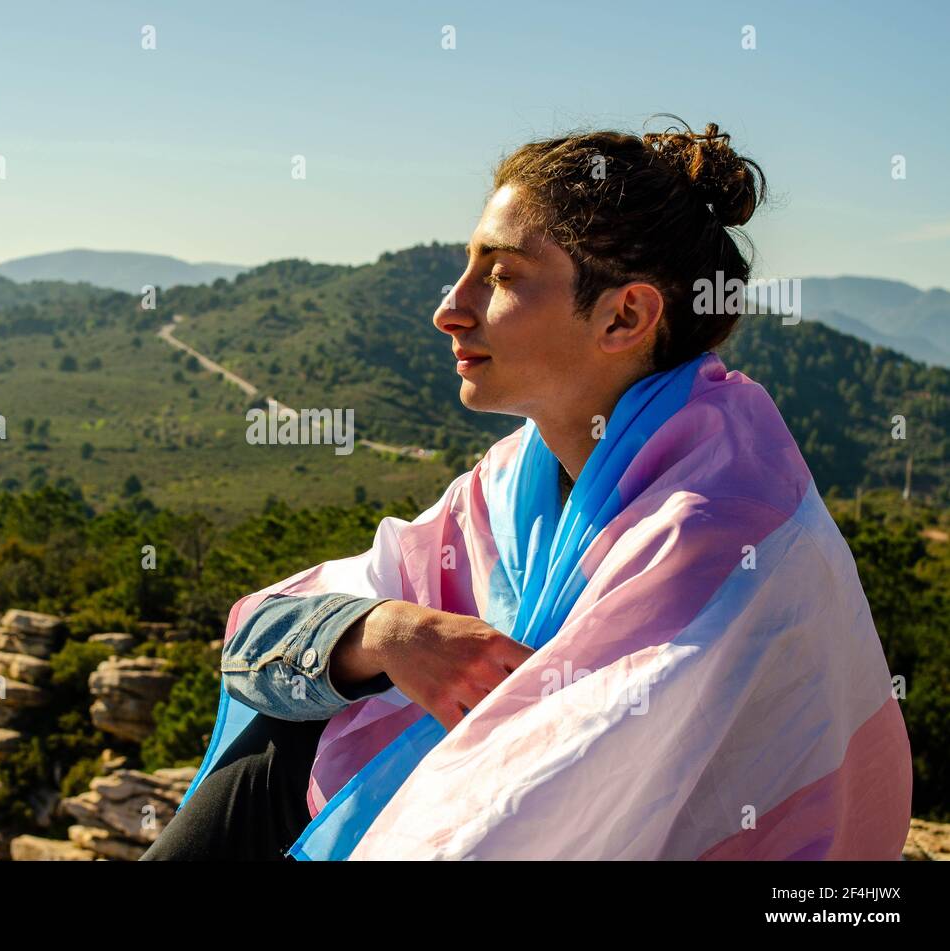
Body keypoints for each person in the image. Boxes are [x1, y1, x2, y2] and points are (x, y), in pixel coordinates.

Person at [143, 119, 913, 861]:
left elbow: (542, 811)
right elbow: (261, 636)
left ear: (626, 315)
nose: (450, 308)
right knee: (286, 735)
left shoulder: (716, 528)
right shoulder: (516, 484)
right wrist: (390, 631)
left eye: (501, 274)